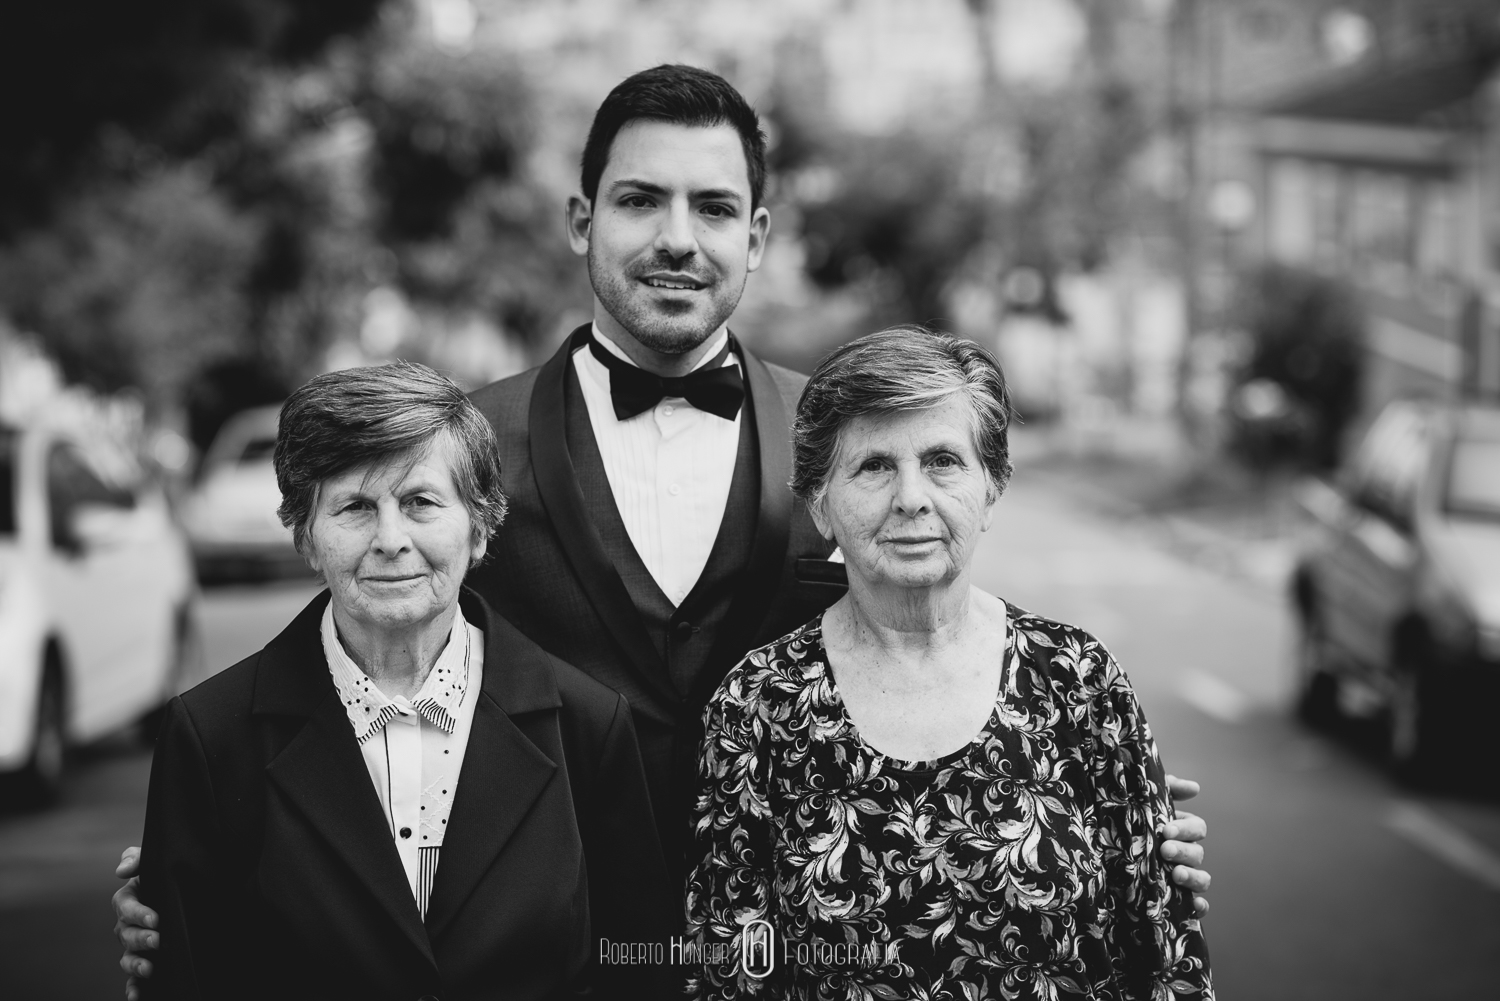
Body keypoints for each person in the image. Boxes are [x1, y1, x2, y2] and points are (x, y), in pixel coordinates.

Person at [114, 65, 1210, 986]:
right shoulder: (466, 446)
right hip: (548, 957)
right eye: (641, 200)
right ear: (584, 219)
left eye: (714, 208)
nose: (678, 238)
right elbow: (361, 620)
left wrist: (1120, 846)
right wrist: (210, 846)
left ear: (758, 234)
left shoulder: (845, 447)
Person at [684, 328, 1212, 999]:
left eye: (942, 460)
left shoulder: (1079, 680)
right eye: (874, 465)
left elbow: (1170, 968)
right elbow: (727, 976)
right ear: (819, 502)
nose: (911, 496)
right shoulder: (756, 707)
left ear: (991, 487)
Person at [130, 362, 671, 999]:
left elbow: (642, 966)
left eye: (420, 503)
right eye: (355, 507)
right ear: (306, 535)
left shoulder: (588, 723)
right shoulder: (208, 736)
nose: (391, 540)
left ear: (480, 527)